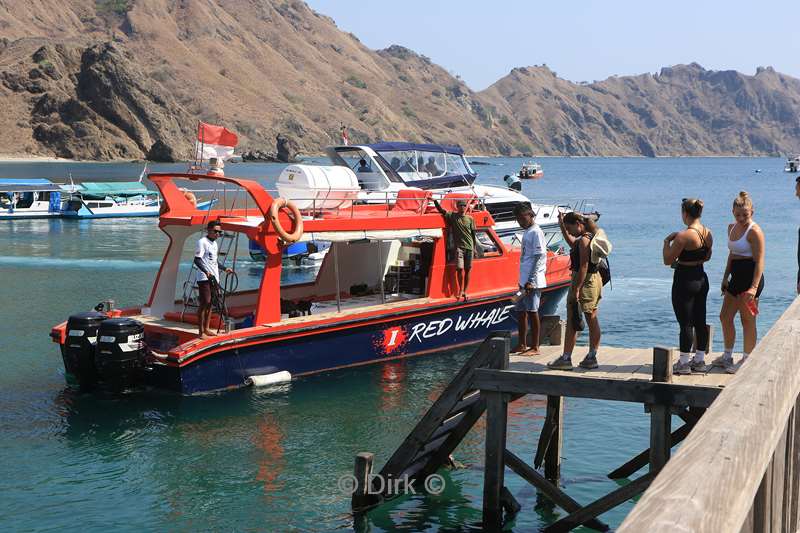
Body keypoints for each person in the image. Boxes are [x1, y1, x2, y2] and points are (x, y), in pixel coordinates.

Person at [715, 191, 765, 373]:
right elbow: (732, 254)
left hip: (751, 279)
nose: (742, 218)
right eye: (738, 215)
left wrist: (753, 287)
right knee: (725, 316)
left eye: (745, 214)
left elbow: (760, 261)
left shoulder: (755, 231)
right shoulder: (731, 228)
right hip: (735, 278)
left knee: (748, 320)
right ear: (732, 212)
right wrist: (725, 277)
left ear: (752, 211)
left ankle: (747, 360)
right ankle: (727, 356)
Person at [662, 198, 713, 374]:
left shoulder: (684, 236)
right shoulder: (707, 233)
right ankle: (699, 360)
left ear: (685, 214)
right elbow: (707, 257)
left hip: (685, 280)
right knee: (700, 320)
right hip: (701, 278)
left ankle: (683, 363)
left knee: (685, 323)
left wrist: (666, 243)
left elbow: (667, 260)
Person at [548, 211, 603, 370]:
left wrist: (577, 289)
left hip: (584, 281)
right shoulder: (587, 238)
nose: (569, 230)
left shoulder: (584, 241)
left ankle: (569, 358)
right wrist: (561, 226)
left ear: (578, 225)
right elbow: (573, 244)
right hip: (593, 280)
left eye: (569, 227)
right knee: (588, 317)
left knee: (580, 318)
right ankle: (588, 356)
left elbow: (584, 266)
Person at [512, 205, 547, 355]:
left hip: (532, 281)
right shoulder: (527, 231)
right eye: (518, 219)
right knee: (520, 311)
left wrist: (531, 280)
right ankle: (521, 343)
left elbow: (538, 257)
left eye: (522, 218)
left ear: (530, 215)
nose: (520, 221)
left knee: (533, 311)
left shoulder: (536, 232)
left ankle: (535, 346)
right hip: (524, 279)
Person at [194, 220, 233, 339]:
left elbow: (214, 262)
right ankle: (201, 332)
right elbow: (197, 260)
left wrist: (225, 268)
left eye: (220, 232)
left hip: (215, 278)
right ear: (209, 230)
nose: (218, 234)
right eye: (215, 231)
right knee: (205, 302)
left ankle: (206, 329)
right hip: (204, 278)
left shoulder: (215, 244)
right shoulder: (202, 242)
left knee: (211, 304)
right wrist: (206, 272)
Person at [433, 198, 476, 301]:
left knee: (468, 270)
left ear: (466, 207)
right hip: (459, 248)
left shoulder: (470, 219)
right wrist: (435, 201)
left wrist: (474, 248)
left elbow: (474, 235)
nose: (462, 207)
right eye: (460, 206)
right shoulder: (452, 216)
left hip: (469, 248)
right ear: (457, 207)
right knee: (459, 269)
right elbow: (442, 211)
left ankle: (465, 291)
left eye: (464, 206)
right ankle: (460, 291)